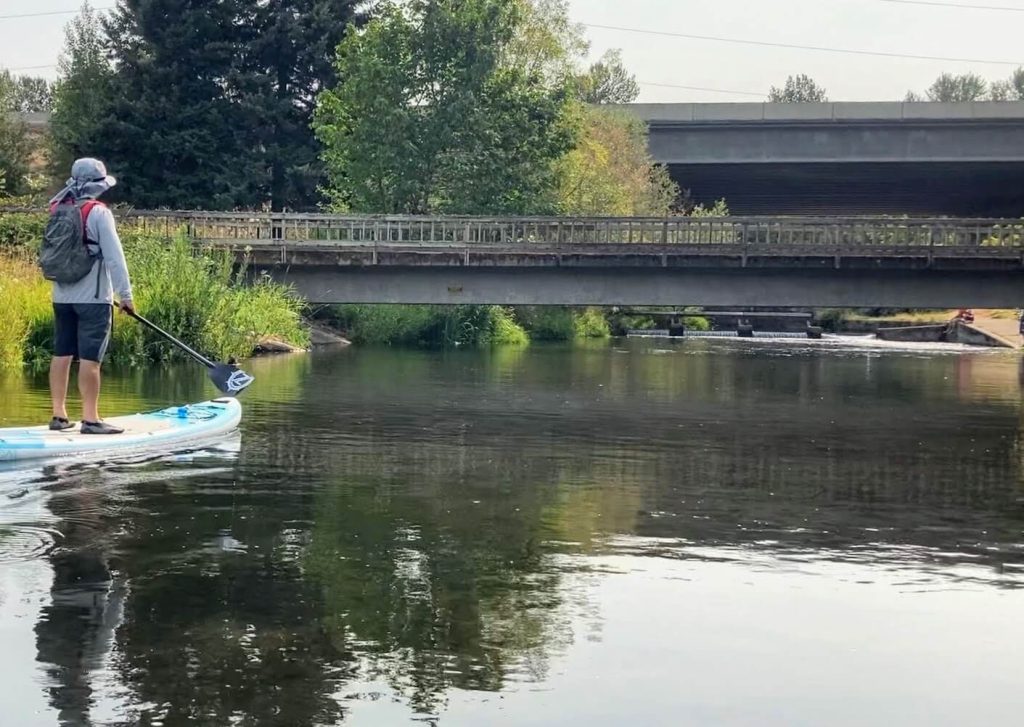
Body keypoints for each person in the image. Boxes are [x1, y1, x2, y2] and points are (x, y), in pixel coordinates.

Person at [46, 158, 135, 434]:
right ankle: (91, 419)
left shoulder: (57, 208)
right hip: (94, 300)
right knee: (90, 359)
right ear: (97, 186)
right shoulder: (99, 213)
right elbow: (114, 258)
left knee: (61, 354)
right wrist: (126, 296)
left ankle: (59, 417)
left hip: (61, 296)